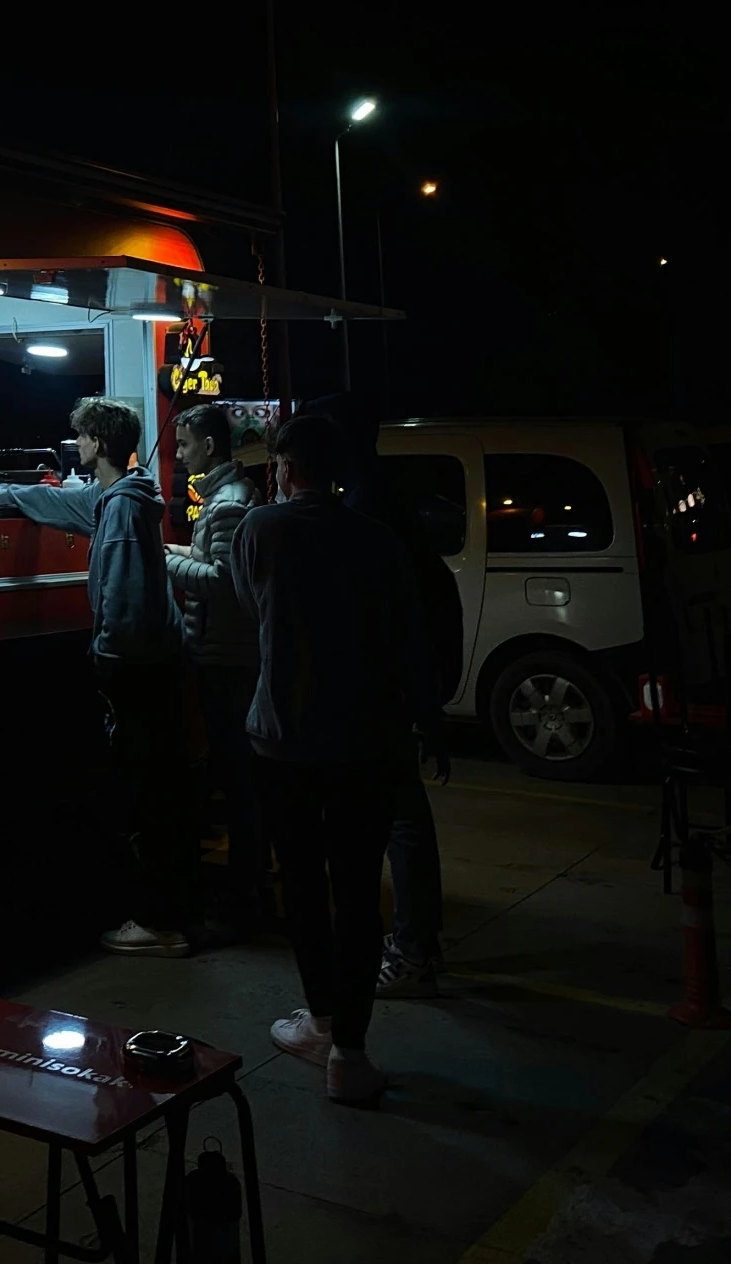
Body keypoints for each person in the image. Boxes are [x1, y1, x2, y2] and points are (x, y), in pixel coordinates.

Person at [231, 411, 446, 1104]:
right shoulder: (376, 541)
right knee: (357, 891)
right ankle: (349, 1055)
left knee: (301, 883)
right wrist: (429, 721)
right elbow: (411, 638)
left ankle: (319, 1021)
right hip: (368, 741)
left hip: (282, 739)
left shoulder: (258, 530)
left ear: (286, 469)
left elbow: (248, 607)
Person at [0, 397, 201, 955]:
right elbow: (66, 503)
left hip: (137, 671)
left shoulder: (123, 510)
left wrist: (104, 660)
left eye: (80, 439)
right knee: (155, 789)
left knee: (144, 791)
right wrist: (0, 494)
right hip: (155, 665)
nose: (75, 447)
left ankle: (158, 923)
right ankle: (169, 911)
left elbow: (123, 603)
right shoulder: (121, 497)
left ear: (98, 444)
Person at [302, 395, 463, 997]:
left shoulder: (364, 509)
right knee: (402, 817)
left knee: (397, 820)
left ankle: (413, 951)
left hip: (382, 689)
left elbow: (387, 613)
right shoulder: (379, 494)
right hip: (400, 685)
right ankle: (418, 945)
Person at [165, 403, 267, 918]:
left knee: (237, 777)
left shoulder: (226, 503)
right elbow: (214, 561)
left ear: (208, 447)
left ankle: (244, 884)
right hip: (228, 654)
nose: (179, 456)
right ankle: (249, 877)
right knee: (238, 775)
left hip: (226, 658)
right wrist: (182, 552)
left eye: (184, 445)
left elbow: (225, 582)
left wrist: (164, 559)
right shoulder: (228, 497)